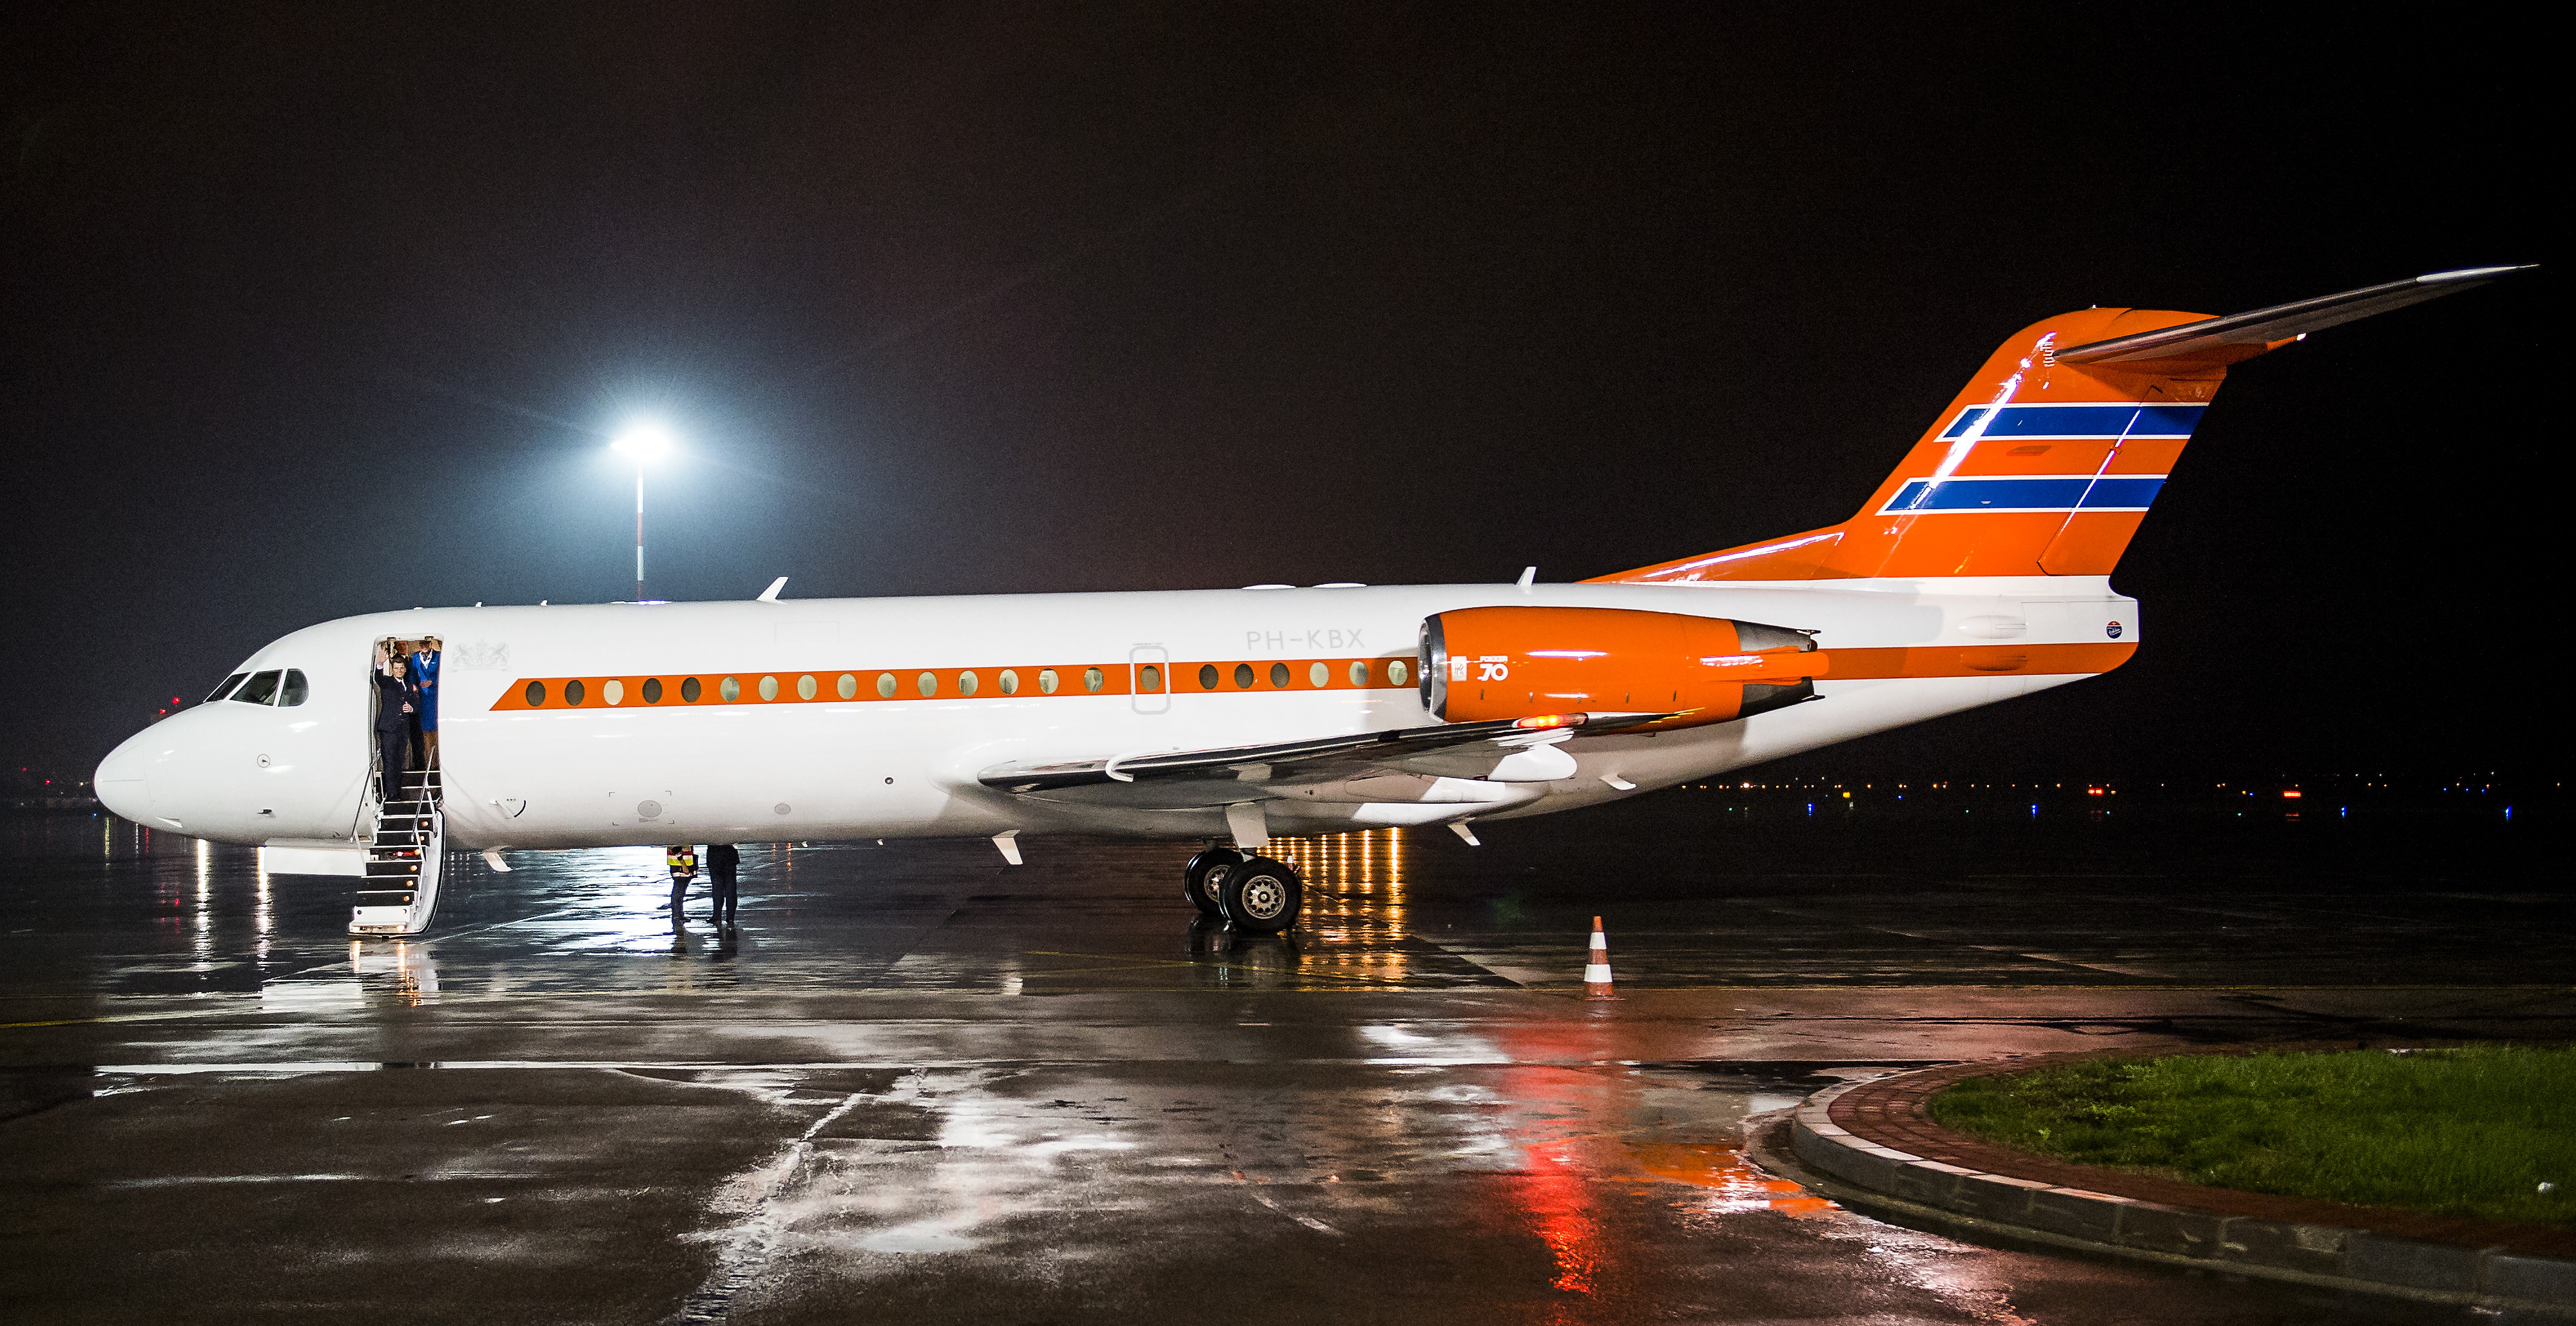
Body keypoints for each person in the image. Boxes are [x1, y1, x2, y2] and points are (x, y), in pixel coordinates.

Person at [372, 658, 412, 798]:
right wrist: (380, 665)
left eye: (402, 668)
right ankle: (392, 794)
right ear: (393, 669)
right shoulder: (388, 682)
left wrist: (412, 708)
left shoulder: (408, 685)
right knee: (390, 762)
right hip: (389, 729)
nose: (399, 671)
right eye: (396, 668)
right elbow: (378, 678)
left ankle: (397, 792)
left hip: (402, 730)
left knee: (399, 762)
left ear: (405, 670)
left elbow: (416, 706)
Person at [408, 636, 443, 768]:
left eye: (426, 643)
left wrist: (434, 681)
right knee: (427, 732)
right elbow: (413, 673)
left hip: (436, 696)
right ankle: (430, 763)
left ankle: (437, 762)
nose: (424, 645)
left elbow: (442, 672)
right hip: (423, 697)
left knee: (437, 729)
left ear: (430, 643)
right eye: (421, 643)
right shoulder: (416, 657)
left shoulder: (439, 656)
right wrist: (413, 685)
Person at [708, 843, 740, 925]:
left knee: (717, 889)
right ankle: (730, 918)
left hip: (714, 856)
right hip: (730, 855)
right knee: (731, 888)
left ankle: (717, 917)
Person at [666, 844, 698, 927]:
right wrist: (683, 863)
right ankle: (677, 915)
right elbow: (674, 847)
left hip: (684, 864)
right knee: (678, 891)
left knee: (680, 891)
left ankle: (679, 914)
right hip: (680, 865)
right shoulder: (679, 834)